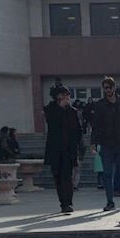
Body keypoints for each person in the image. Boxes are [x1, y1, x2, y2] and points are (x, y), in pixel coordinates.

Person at [91, 76, 120, 211]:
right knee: (107, 174)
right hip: (106, 145)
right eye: (105, 88)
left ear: (114, 87)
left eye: (110, 87)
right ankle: (110, 201)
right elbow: (96, 126)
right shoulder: (100, 105)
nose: (108, 90)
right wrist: (93, 143)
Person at [43, 85, 81, 214]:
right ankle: (62, 202)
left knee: (67, 177)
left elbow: (78, 131)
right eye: (64, 95)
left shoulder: (72, 111)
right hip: (55, 149)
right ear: (57, 96)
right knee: (58, 177)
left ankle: (68, 203)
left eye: (68, 95)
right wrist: (60, 108)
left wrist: (80, 148)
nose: (67, 98)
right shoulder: (50, 109)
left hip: (69, 150)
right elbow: (51, 122)